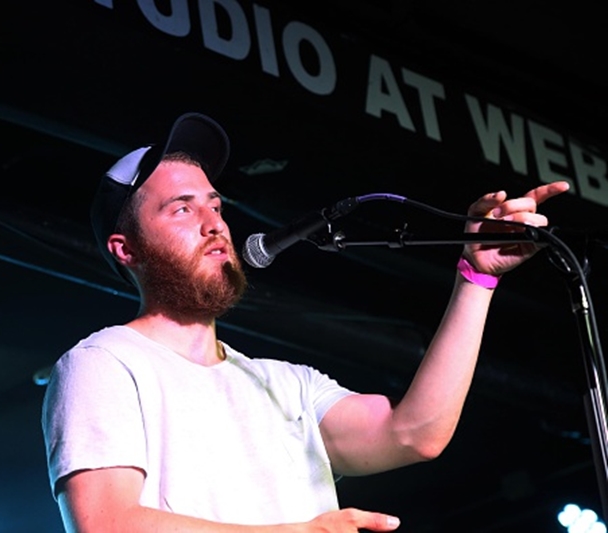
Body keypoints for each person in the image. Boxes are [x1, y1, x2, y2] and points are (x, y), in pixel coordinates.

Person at [41, 112, 569, 532]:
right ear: (125, 248)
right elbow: (107, 524)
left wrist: (476, 278)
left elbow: (413, 434)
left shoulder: (286, 384)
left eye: (215, 205)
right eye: (181, 209)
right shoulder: (104, 363)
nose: (213, 224)